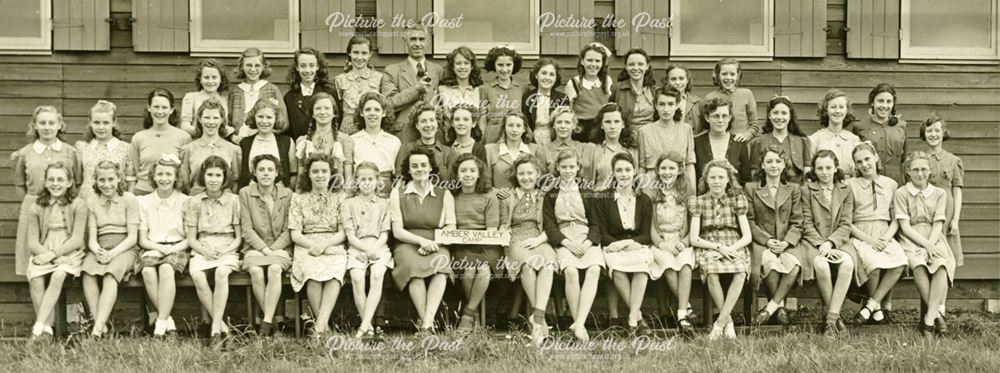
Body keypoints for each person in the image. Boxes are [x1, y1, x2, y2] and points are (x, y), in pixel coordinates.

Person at [389, 147, 456, 334]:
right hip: (407, 243)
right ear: (409, 170)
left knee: (441, 268)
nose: (419, 169)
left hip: (437, 243)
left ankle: (426, 323)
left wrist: (433, 244)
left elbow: (451, 227)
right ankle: (428, 324)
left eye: (423, 165)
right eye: (415, 166)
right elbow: (397, 231)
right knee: (413, 270)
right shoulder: (398, 193)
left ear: (430, 167)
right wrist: (421, 242)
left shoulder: (444, 193)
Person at [14, 106, 83, 278]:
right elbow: (19, 184)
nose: (47, 127)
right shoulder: (25, 153)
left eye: (51, 122)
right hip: (34, 207)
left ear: (59, 125)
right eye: (42, 122)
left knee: (63, 263)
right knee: (34, 265)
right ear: (35, 125)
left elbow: (78, 180)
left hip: (63, 209)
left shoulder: (70, 151)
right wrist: (35, 204)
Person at [542, 149, 604, 341]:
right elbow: (550, 226)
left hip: (586, 237)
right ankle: (579, 324)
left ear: (578, 168)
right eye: (564, 167)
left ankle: (579, 323)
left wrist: (587, 243)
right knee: (570, 271)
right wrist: (566, 243)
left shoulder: (587, 192)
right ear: (557, 168)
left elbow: (596, 224)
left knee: (594, 268)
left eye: (572, 167)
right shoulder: (551, 194)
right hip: (564, 237)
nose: (568, 171)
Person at [593, 153, 656, 335]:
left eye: (628, 170)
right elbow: (602, 232)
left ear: (634, 171)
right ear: (612, 173)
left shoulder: (643, 200)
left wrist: (629, 243)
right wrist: (618, 245)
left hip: (636, 245)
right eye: (619, 170)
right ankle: (638, 318)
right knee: (617, 268)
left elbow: (646, 235)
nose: (624, 174)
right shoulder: (603, 198)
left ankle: (632, 318)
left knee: (642, 267)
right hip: (613, 246)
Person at [688, 160, 752, 340]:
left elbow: (747, 236)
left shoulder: (737, 200)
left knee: (741, 271)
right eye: (712, 177)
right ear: (706, 180)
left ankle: (719, 323)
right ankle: (728, 321)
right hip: (709, 244)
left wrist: (730, 249)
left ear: (728, 180)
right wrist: (718, 247)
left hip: (733, 244)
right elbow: (694, 238)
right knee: (712, 272)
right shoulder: (698, 202)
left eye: (721, 177)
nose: (716, 181)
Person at [895, 151, 956, 338]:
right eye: (915, 170)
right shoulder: (901, 193)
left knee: (941, 266)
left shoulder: (939, 193)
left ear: (930, 171)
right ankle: (938, 315)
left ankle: (929, 320)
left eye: (923, 169)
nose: (919, 174)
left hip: (934, 236)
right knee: (919, 266)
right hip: (911, 238)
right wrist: (925, 246)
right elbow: (904, 226)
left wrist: (931, 245)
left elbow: (938, 223)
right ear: (908, 171)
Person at [745, 146, 806, 326]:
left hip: (788, 242)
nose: (774, 166)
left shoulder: (793, 189)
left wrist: (787, 242)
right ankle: (780, 309)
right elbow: (749, 220)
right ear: (762, 166)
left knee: (794, 266)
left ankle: (771, 308)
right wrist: (767, 241)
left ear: (784, 164)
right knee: (770, 264)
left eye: (778, 161)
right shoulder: (751, 188)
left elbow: (798, 221)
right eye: (769, 162)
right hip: (762, 242)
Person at [24, 163, 87, 339]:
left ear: (69, 182)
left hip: (70, 251)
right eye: (51, 179)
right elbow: (32, 242)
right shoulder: (36, 206)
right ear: (45, 182)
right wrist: (49, 256)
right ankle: (48, 329)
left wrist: (55, 256)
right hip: (43, 250)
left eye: (60, 179)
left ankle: (39, 326)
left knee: (58, 275)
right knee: (35, 278)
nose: (55, 183)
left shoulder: (79, 205)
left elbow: (77, 239)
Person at [499, 155, 557, 344]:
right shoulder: (508, 196)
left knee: (547, 265)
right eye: (521, 173)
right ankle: (542, 320)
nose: (526, 177)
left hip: (539, 237)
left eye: (530, 173)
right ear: (516, 175)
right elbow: (502, 225)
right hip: (516, 238)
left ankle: (537, 318)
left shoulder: (544, 195)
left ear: (538, 174)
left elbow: (551, 224)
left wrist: (539, 239)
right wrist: (504, 234)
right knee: (528, 266)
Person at [289, 153, 349, 336]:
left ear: (331, 173)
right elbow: (295, 234)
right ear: (308, 174)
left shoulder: (340, 197)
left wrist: (324, 245)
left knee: (334, 273)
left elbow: (343, 232)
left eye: (324, 171)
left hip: (332, 243)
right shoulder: (298, 198)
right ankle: (324, 329)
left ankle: (319, 327)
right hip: (306, 244)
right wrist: (313, 246)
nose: (320, 175)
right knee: (312, 273)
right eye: (315, 171)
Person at [847, 143, 906, 325]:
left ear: (875, 158)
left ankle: (871, 305)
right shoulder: (850, 185)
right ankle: (877, 308)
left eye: (867, 159)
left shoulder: (891, 184)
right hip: (861, 234)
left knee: (900, 262)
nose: (864, 164)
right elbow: (846, 221)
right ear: (855, 165)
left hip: (885, 233)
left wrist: (886, 238)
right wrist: (870, 240)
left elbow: (897, 217)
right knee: (873, 265)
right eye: (859, 162)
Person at [185, 156, 242, 341]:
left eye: (218, 175)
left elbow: (239, 237)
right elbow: (191, 239)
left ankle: (215, 329)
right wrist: (204, 251)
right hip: (202, 248)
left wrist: (226, 251)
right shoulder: (195, 202)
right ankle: (223, 328)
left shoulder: (234, 200)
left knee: (221, 273)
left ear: (225, 178)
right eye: (210, 174)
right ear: (203, 176)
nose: (213, 179)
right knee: (198, 276)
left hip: (227, 247)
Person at [801, 150, 857, 337]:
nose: (824, 172)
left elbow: (846, 223)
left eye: (828, 167)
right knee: (820, 264)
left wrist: (831, 243)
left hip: (839, 241)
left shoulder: (845, 189)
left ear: (835, 169)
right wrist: (821, 244)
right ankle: (836, 320)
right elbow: (806, 223)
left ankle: (831, 320)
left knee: (847, 264)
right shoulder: (807, 190)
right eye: (820, 168)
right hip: (814, 242)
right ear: (814, 170)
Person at [81, 161, 140, 337]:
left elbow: (132, 237)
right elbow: (92, 237)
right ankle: (101, 323)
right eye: (102, 180)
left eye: (110, 179)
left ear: (118, 178)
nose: (106, 184)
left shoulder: (129, 199)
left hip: (125, 248)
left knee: (110, 274)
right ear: (96, 181)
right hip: (100, 247)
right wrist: (98, 251)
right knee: (87, 272)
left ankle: (96, 331)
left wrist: (112, 254)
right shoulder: (92, 201)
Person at [239, 154, 293, 336]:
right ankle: (273, 323)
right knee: (255, 271)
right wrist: (263, 249)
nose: (266, 174)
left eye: (270, 170)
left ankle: (266, 321)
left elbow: (288, 228)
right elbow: (247, 228)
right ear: (254, 172)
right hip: (255, 248)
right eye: (261, 169)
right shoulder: (246, 193)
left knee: (274, 269)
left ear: (277, 173)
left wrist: (274, 249)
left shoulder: (287, 194)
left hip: (280, 248)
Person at [136, 154, 189, 337]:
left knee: (166, 268)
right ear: (153, 177)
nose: (164, 178)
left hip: (178, 246)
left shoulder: (185, 201)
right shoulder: (144, 202)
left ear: (176, 177)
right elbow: (142, 239)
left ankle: (159, 326)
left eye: (168, 174)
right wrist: (158, 249)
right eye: (160, 174)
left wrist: (171, 249)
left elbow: (190, 238)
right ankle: (168, 321)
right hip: (152, 246)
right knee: (147, 271)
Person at [342, 162, 394, 339]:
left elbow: (385, 234)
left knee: (378, 273)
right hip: (357, 247)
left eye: (370, 179)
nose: (366, 183)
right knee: (357, 277)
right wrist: (366, 249)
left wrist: (374, 249)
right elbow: (350, 236)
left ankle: (364, 326)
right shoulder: (348, 204)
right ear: (356, 181)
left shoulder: (384, 203)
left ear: (377, 181)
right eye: (362, 179)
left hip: (379, 246)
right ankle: (370, 327)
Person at [449, 153, 501, 331]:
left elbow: (492, 229)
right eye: (463, 170)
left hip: (486, 245)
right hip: (461, 245)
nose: (468, 174)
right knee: (469, 269)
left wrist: (481, 239)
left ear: (479, 174)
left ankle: (468, 314)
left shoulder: (489, 196)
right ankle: (475, 314)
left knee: (484, 269)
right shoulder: (451, 196)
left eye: (472, 170)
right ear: (457, 174)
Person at [645, 153, 696, 332]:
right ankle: (687, 305)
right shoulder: (652, 193)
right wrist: (662, 244)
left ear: (680, 170)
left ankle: (681, 313)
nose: (667, 172)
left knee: (685, 264)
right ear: (658, 171)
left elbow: (693, 223)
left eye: (672, 168)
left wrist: (685, 241)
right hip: (661, 242)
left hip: (681, 240)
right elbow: (651, 227)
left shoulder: (686, 192)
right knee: (667, 264)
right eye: (664, 168)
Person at [382, 27, 443, 143]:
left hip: (432, 133)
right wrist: (416, 90)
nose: (417, 44)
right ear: (406, 42)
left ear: (427, 42)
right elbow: (388, 103)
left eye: (421, 39)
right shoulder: (392, 70)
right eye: (413, 39)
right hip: (404, 133)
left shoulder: (438, 70)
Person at [131, 88, 191, 195]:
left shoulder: (183, 137)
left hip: (172, 194)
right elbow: (136, 172)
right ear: (149, 108)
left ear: (171, 109)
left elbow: (184, 173)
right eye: (156, 107)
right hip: (143, 193)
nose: (160, 111)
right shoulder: (138, 138)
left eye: (164, 107)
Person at [179, 98, 242, 195]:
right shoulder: (188, 149)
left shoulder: (233, 149)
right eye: (207, 117)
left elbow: (235, 181)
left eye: (215, 118)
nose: (211, 122)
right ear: (200, 119)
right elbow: (185, 182)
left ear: (222, 120)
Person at [850, 83, 907, 184]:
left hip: (896, 182)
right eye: (880, 101)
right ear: (872, 102)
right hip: (869, 182)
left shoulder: (901, 126)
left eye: (889, 101)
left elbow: (904, 158)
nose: (884, 106)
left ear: (893, 104)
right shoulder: (860, 127)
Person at [76, 100, 136, 197]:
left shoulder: (126, 148)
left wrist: (126, 204)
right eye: (96, 122)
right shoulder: (82, 148)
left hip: (115, 203)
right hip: (87, 202)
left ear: (114, 122)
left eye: (106, 123)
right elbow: (77, 181)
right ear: (90, 122)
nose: (101, 127)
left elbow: (131, 183)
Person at [229, 48, 288, 141]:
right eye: (249, 65)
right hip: (239, 143)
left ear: (263, 67)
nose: (253, 69)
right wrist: (233, 137)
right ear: (242, 66)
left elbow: (283, 121)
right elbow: (228, 122)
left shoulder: (272, 90)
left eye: (257, 65)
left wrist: (265, 134)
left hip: (266, 142)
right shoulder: (235, 92)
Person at [748, 96, 811, 184]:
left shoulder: (802, 141)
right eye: (775, 113)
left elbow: (807, 175)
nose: (779, 117)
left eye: (784, 113)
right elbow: (754, 175)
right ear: (769, 115)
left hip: (796, 193)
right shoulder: (759, 142)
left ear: (790, 116)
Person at [238, 98, 297, 189]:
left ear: (276, 119)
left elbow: (293, 174)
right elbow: (240, 176)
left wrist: (285, 195)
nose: (264, 121)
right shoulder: (244, 143)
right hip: (250, 196)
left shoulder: (286, 142)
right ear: (254, 117)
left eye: (269, 117)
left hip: (279, 196)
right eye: (260, 117)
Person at [694, 97, 750, 186]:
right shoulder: (696, 143)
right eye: (716, 116)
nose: (720, 120)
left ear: (730, 117)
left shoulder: (739, 143)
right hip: (703, 198)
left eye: (724, 116)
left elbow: (746, 178)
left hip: (734, 197)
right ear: (707, 118)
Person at [284, 47, 338, 140]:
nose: (307, 70)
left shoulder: (329, 92)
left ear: (317, 66)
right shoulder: (289, 97)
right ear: (297, 67)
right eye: (303, 66)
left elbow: (337, 119)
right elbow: (288, 128)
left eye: (311, 65)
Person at [565, 42, 614, 143]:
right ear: (582, 61)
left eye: (597, 61)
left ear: (602, 63)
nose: (593, 64)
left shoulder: (607, 81)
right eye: (589, 60)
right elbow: (569, 112)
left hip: (602, 129)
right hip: (582, 131)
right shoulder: (574, 83)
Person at [335, 36, 383, 134]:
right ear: (349, 53)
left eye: (364, 53)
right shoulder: (340, 80)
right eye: (356, 52)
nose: (359, 57)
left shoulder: (379, 78)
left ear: (370, 54)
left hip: (370, 131)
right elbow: (338, 110)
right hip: (347, 132)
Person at [703, 58, 759, 142]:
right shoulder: (710, 97)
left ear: (738, 75)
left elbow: (754, 124)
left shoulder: (746, 94)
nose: (728, 78)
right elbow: (705, 126)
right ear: (718, 75)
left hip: (741, 143)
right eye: (724, 74)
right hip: (718, 143)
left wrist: (746, 135)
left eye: (732, 74)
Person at [481, 45, 527, 144]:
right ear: (494, 65)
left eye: (508, 65)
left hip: (515, 137)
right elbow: (482, 117)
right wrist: (483, 137)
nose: (505, 69)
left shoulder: (522, 89)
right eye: (500, 65)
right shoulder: (486, 89)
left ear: (514, 65)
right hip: (492, 138)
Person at [810, 89, 861, 175]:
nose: (837, 111)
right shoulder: (815, 139)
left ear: (846, 110)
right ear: (826, 110)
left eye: (841, 107)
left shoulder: (854, 140)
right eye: (833, 107)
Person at [521, 58, 569, 146]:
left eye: (551, 74)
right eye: (543, 73)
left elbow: (564, 124)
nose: (547, 78)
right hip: (532, 142)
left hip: (555, 142)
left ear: (556, 78)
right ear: (536, 75)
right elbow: (526, 124)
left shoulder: (562, 98)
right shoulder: (527, 97)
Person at [180, 59, 230, 137]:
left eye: (214, 77)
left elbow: (226, 126)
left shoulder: (225, 100)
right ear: (200, 79)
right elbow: (185, 126)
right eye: (206, 77)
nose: (210, 81)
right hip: (198, 143)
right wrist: (208, 132)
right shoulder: (191, 97)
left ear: (221, 79)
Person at [610, 49, 656, 130]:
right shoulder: (617, 89)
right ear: (626, 67)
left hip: (651, 135)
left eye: (640, 64)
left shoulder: (654, 91)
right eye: (631, 64)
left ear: (647, 66)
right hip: (626, 134)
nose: (635, 68)